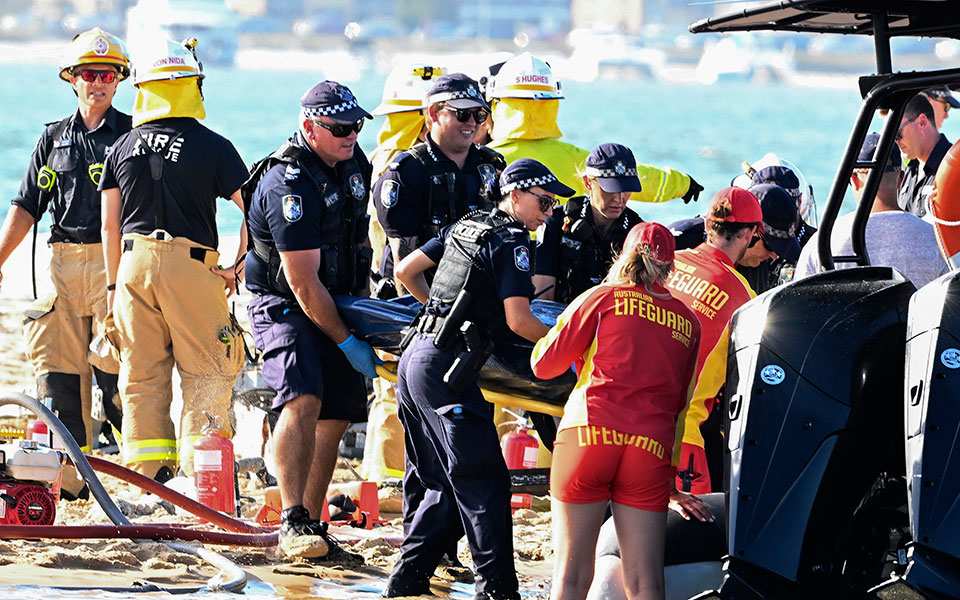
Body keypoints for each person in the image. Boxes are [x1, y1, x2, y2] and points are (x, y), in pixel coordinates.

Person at [384, 158, 573, 599]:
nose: (548, 212)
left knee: (442, 483)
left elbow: (405, 270)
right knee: (483, 480)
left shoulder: (466, 226)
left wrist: (444, 314)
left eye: (554, 204)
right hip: (446, 371)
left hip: (416, 359)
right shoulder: (511, 242)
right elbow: (521, 321)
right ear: (515, 195)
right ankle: (499, 592)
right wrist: (571, 344)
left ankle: (405, 583)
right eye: (544, 201)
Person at [531, 221, 707, 600]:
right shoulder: (689, 323)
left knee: (572, 575)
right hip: (649, 449)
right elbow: (681, 405)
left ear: (623, 256)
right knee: (645, 583)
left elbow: (543, 365)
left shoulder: (602, 297)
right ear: (671, 267)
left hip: (589, 434)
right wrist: (671, 480)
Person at [99, 37, 247, 482]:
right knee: (207, 370)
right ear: (192, 85)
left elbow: (109, 226)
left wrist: (112, 290)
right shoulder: (215, 146)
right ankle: (203, 476)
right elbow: (256, 213)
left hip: (132, 266)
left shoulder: (121, 147)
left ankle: (147, 474)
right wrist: (236, 268)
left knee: (141, 374)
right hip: (191, 265)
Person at [243, 80, 378, 558]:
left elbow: (359, 243)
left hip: (336, 297)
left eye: (357, 126)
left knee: (339, 411)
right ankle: (292, 518)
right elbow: (300, 281)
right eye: (339, 127)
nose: (350, 134)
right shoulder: (289, 183)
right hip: (281, 301)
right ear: (308, 127)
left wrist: (362, 317)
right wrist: (346, 342)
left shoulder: (352, 163)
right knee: (303, 397)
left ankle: (314, 524)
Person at [0, 28, 130, 499]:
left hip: (114, 267)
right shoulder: (52, 138)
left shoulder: (132, 135)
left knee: (120, 376)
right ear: (72, 79)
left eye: (108, 74)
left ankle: (140, 476)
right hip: (62, 264)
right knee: (57, 380)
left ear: (120, 81)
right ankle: (73, 485)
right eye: (89, 74)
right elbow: (26, 205)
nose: (98, 82)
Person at [362, 63, 445, 487]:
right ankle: (389, 479)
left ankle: (386, 476)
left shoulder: (378, 160)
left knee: (392, 389)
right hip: (404, 288)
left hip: (387, 285)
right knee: (398, 388)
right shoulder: (403, 166)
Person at [485, 52, 703, 203]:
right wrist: (683, 184)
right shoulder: (576, 159)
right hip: (557, 263)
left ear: (496, 102)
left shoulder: (484, 160)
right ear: (552, 103)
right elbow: (635, 176)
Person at [374, 72, 505, 298]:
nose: (472, 123)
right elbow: (403, 260)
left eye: (479, 114)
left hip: (477, 300)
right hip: (418, 302)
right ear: (434, 113)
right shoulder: (406, 173)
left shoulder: (490, 166)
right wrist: (434, 317)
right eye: (462, 114)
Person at [664, 188, 760, 495]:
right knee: (693, 535)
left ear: (708, 224)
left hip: (620, 422)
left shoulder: (668, 262)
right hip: (680, 436)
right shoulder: (745, 300)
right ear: (751, 234)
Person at [796, 132, 948, 288]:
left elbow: (799, 305)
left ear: (854, 180)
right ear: (901, 180)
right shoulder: (936, 241)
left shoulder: (824, 241)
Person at [533, 143, 645, 304]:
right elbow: (542, 302)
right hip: (561, 322)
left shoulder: (637, 233)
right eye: (610, 189)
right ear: (587, 183)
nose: (619, 198)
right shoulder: (557, 222)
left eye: (626, 189)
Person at [668, 183, 799, 294]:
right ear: (751, 233)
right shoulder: (679, 241)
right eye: (770, 246)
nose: (774, 256)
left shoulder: (760, 265)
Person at [897, 94, 953, 218]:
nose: (896, 140)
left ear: (922, 122)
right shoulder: (908, 170)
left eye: (898, 132)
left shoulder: (953, 168)